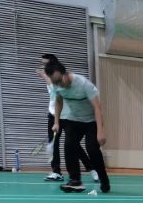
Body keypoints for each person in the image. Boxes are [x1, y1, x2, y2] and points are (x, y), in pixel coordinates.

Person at [45, 60, 110, 194]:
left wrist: (101, 131)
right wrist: (56, 122)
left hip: (91, 120)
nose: (58, 85)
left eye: (59, 80)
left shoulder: (83, 84)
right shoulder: (57, 86)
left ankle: (104, 179)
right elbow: (58, 102)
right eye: (55, 82)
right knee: (69, 146)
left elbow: (97, 108)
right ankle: (75, 181)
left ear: (66, 73)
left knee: (92, 149)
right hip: (74, 119)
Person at [37, 54, 92, 182]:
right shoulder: (49, 76)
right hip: (53, 114)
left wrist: (45, 76)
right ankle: (56, 172)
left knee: (73, 144)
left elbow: (56, 90)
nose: (42, 66)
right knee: (54, 143)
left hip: (67, 115)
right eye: (42, 64)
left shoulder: (60, 77)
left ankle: (92, 168)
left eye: (45, 64)